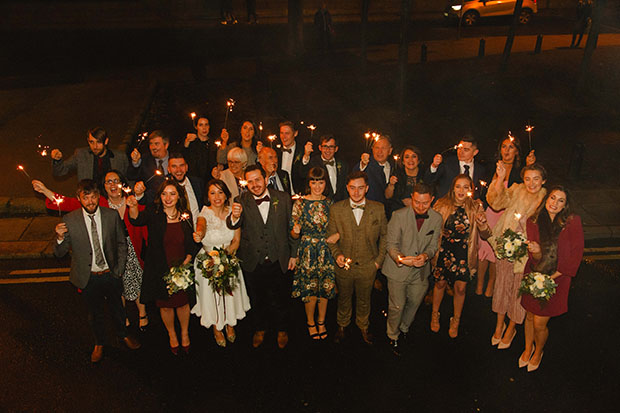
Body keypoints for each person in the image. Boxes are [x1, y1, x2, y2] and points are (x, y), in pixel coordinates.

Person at [34, 171, 149, 331]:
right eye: (108, 182)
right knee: (119, 287)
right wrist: (46, 191)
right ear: (103, 188)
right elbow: (68, 203)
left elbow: (147, 225)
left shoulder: (133, 201)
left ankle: (142, 313)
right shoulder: (99, 202)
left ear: (123, 184)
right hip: (111, 251)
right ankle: (124, 317)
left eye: (116, 181)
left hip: (133, 249)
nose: (112, 185)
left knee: (138, 281)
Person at [54, 179, 140, 363]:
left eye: (93, 197)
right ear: (79, 198)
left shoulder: (111, 215)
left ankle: (123, 334)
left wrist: (119, 268)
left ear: (98, 197)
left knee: (118, 308)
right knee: (95, 313)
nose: (90, 202)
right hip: (88, 277)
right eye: (86, 198)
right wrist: (60, 237)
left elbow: (121, 243)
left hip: (111, 273)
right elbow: (59, 253)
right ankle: (99, 342)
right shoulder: (70, 220)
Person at [227, 165, 299, 349]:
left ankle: (282, 329)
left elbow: (292, 228)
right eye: (250, 181)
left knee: (282, 297)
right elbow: (232, 223)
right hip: (253, 260)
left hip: (279, 258)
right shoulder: (240, 200)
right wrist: (234, 217)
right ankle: (260, 328)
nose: (255, 184)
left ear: (266, 179)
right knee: (257, 298)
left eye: (258, 179)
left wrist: (293, 254)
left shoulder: (283, 199)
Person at [128, 180, 200, 355]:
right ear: (160, 196)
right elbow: (136, 219)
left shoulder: (186, 215)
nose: (168, 198)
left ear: (179, 197)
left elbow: (192, 242)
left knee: (183, 303)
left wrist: (186, 262)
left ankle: (184, 333)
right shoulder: (154, 212)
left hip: (181, 267)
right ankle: (171, 334)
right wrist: (133, 205)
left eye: (172, 194)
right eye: (164, 194)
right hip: (160, 267)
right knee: (166, 305)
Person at [519, 186, 584, 372]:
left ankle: (538, 350)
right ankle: (527, 347)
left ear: (565, 205)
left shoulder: (572, 222)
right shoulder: (534, 220)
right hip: (534, 274)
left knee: (540, 322)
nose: (554, 203)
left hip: (557, 278)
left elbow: (576, 254)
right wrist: (536, 252)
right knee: (530, 316)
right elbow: (535, 258)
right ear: (546, 198)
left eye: (560, 200)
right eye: (552, 198)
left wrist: (552, 278)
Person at [487, 163, 547, 349]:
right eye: (527, 178)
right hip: (506, 247)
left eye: (536, 179)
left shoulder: (545, 200)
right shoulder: (516, 190)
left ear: (543, 180)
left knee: (517, 290)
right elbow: (496, 202)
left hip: (527, 254)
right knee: (501, 285)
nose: (531, 183)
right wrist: (500, 178)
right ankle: (499, 324)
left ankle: (511, 327)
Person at [327, 171, 387, 345]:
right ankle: (342, 325)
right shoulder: (336, 209)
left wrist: (378, 262)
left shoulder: (378, 208)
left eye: (360, 188)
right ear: (347, 188)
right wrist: (337, 255)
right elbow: (330, 238)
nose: (356, 192)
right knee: (344, 297)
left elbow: (385, 236)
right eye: (352, 188)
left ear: (367, 188)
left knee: (365, 299)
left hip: (369, 265)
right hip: (344, 266)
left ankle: (363, 326)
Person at [382, 183, 442, 355]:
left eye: (425, 203)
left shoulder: (437, 218)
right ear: (412, 198)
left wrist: (426, 256)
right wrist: (402, 259)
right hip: (397, 269)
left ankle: (404, 328)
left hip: (421, 271)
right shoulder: (398, 215)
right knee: (397, 306)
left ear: (432, 200)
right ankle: (392, 335)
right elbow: (390, 245)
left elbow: (433, 246)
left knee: (415, 302)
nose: (420, 206)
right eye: (416, 202)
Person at [430, 175, 490, 338]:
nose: (462, 191)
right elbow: (430, 229)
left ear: (471, 190)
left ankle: (455, 320)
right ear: (452, 188)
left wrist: (483, 223)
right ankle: (435, 314)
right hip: (444, 251)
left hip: (464, 252)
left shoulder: (476, 206)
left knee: (461, 288)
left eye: (466, 187)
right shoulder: (441, 204)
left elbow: (486, 235)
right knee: (440, 284)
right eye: (458, 186)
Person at [192, 180, 251, 347]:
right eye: (212, 193)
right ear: (207, 196)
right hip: (208, 261)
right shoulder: (204, 213)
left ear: (226, 195)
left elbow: (236, 241)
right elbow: (201, 227)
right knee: (212, 295)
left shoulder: (233, 213)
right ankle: (216, 327)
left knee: (228, 293)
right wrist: (199, 234)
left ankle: (230, 324)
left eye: (220, 192)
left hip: (229, 258)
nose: (217, 197)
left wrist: (225, 260)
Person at [476, 135, 536, 297]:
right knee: (484, 248)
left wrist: (530, 166)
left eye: (511, 147)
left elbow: (528, 189)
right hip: (490, 212)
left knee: (497, 249)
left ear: (517, 151)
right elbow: (483, 190)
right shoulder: (492, 168)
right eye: (504, 146)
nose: (506, 150)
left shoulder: (520, 171)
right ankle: (480, 283)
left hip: (507, 216)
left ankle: (491, 284)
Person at [290, 167, 336, 340]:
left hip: (326, 249)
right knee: (309, 289)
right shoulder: (300, 203)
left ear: (326, 183)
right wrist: (296, 230)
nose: (317, 186)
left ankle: (322, 321)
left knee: (325, 287)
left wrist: (337, 235)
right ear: (309, 183)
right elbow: (293, 233)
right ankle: (310, 322)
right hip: (307, 250)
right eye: (314, 182)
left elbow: (338, 227)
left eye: (321, 182)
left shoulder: (330, 203)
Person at [51, 127, 128, 187]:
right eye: (92, 142)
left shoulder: (119, 157)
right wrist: (57, 160)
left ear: (106, 141)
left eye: (99, 142)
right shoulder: (81, 155)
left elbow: (128, 178)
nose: (95, 146)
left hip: (112, 201)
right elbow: (60, 172)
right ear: (88, 141)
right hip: (89, 201)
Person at [425, 136, 488, 200]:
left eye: (466, 150)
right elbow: (428, 181)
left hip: (468, 207)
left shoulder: (480, 170)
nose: (461, 152)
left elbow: (481, 192)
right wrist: (434, 166)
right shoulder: (447, 163)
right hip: (446, 205)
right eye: (459, 148)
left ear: (475, 152)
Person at [298, 134, 349, 201]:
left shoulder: (343, 164)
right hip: (319, 204)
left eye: (331, 147)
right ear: (320, 148)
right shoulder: (313, 162)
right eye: (325, 146)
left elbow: (345, 188)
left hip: (339, 206)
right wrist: (306, 155)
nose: (328, 150)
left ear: (336, 149)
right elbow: (302, 173)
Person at [128, 130, 170, 204]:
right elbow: (131, 176)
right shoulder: (145, 159)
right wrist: (135, 162)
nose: (153, 147)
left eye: (156, 144)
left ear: (166, 145)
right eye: (151, 144)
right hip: (150, 203)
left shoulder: (174, 159)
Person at [354, 135, 394, 206]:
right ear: (372, 149)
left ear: (390, 151)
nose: (380, 151)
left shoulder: (394, 167)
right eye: (377, 148)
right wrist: (363, 163)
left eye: (383, 148)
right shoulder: (367, 164)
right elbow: (356, 174)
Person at [385, 145, 424, 217]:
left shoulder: (425, 175)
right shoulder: (396, 174)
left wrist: (414, 203)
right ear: (402, 161)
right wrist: (391, 185)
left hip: (420, 214)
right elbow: (388, 196)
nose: (410, 160)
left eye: (414, 156)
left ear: (418, 160)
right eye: (407, 157)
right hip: (399, 213)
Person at [167, 153, 204, 228]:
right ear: (169, 169)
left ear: (186, 167)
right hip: (178, 233)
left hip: (199, 231)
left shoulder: (198, 183)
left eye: (182, 165)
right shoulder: (165, 189)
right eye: (174, 166)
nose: (178, 170)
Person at [183, 115, 218, 183]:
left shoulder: (214, 143)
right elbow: (183, 156)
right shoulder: (191, 142)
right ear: (196, 127)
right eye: (201, 125)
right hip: (193, 180)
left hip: (210, 181)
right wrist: (186, 142)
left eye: (206, 125)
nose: (204, 128)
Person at [276, 120, 306, 195]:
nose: (283, 137)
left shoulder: (303, 151)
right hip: (281, 195)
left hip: (298, 195)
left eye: (287, 133)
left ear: (295, 133)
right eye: (281, 133)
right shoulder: (275, 151)